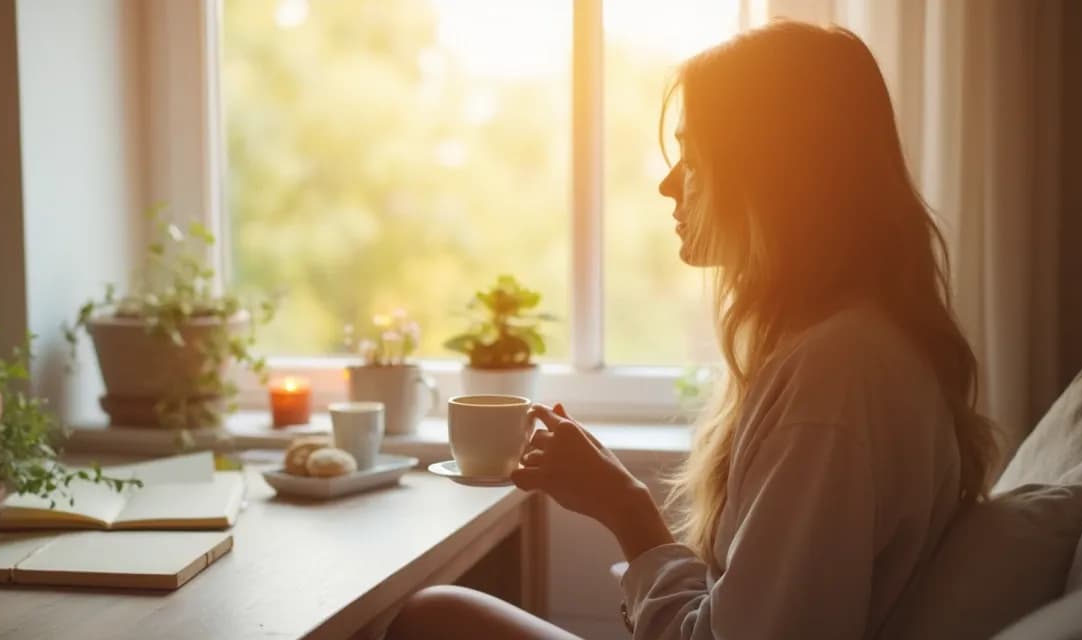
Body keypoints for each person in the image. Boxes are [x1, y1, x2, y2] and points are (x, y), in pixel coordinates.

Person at [387, 20, 997, 640]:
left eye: (696, 156)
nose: (669, 184)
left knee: (431, 620)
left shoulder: (838, 376)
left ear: (773, 174)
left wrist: (625, 509)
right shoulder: (846, 347)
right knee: (439, 614)